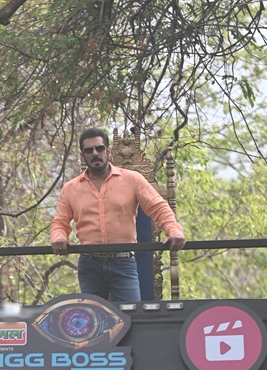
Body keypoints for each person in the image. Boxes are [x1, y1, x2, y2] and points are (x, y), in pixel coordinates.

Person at [50, 127, 185, 302]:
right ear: (82, 156)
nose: (95, 153)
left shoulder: (132, 179)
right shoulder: (71, 188)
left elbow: (159, 207)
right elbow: (60, 222)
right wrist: (58, 238)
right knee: (94, 321)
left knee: (132, 318)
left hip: (123, 262)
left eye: (99, 148)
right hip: (90, 264)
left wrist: (174, 231)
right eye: (89, 150)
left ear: (108, 151)